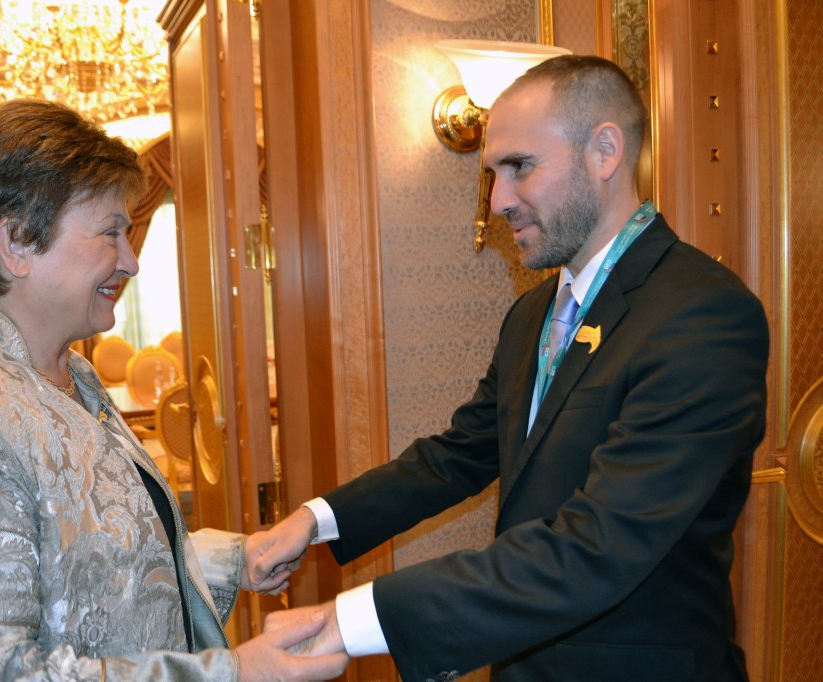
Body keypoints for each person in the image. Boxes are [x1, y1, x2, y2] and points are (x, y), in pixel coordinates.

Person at [248, 55, 769, 682]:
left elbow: (599, 544)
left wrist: (353, 620)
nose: (497, 201)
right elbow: (458, 455)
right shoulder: (532, 314)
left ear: (605, 152)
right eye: (492, 175)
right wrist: (314, 520)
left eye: (520, 166)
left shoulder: (703, 315)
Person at [0, 98, 346, 682]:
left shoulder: (68, 373)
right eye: (111, 232)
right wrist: (230, 673)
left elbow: (89, 560)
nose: (130, 262)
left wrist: (235, 559)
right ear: (15, 243)